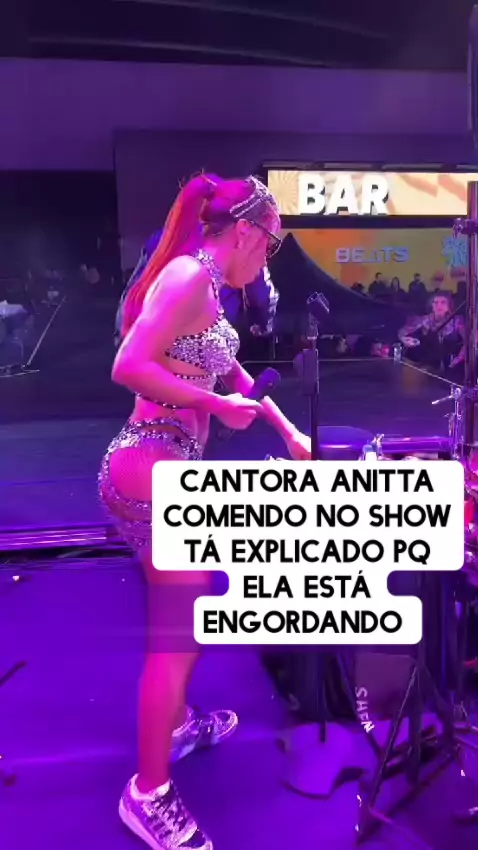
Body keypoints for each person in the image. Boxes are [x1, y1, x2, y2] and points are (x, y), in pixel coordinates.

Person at [99, 172, 311, 850]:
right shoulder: (190, 276)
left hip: (167, 465)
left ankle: (176, 723)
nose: (268, 258)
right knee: (178, 635)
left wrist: (285, 431)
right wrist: (216, 406)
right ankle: (146, 794)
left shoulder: (210, 292)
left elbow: (236, 376)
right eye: (270, 244)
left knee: (181, 621)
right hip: (150, 462)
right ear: (245, 232)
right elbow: (128, 364)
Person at [115, 232, 279, 346]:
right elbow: (261, 296)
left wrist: (123, 335)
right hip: (211, 340)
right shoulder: (241, 242)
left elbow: (136, 291)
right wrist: (263, 325)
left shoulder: (162, 238)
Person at [398, 292, 464, 370]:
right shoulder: (424, 319)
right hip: (428, 366)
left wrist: (459, 358)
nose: (439, 305)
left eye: (443, 302)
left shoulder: (457, 321)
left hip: (451, 365)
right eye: (436, 302)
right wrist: (404, 339)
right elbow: (403, 331)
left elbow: (469, 341)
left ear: (449, 305)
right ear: (432, 305)